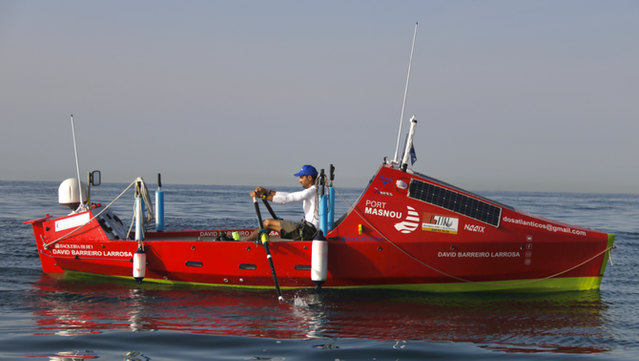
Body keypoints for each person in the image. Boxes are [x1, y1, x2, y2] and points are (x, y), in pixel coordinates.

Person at [244, 165, 319, 242]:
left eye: (301, 177)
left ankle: (242, 244)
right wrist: (266, 191)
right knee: (271, 224)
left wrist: (261, 196)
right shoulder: (316, 190)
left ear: (309, 178)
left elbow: (286, 199)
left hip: (309, 232)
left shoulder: (312, 191)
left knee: (268, 223)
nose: (299, 181)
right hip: (310, 230)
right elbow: (288, 195)